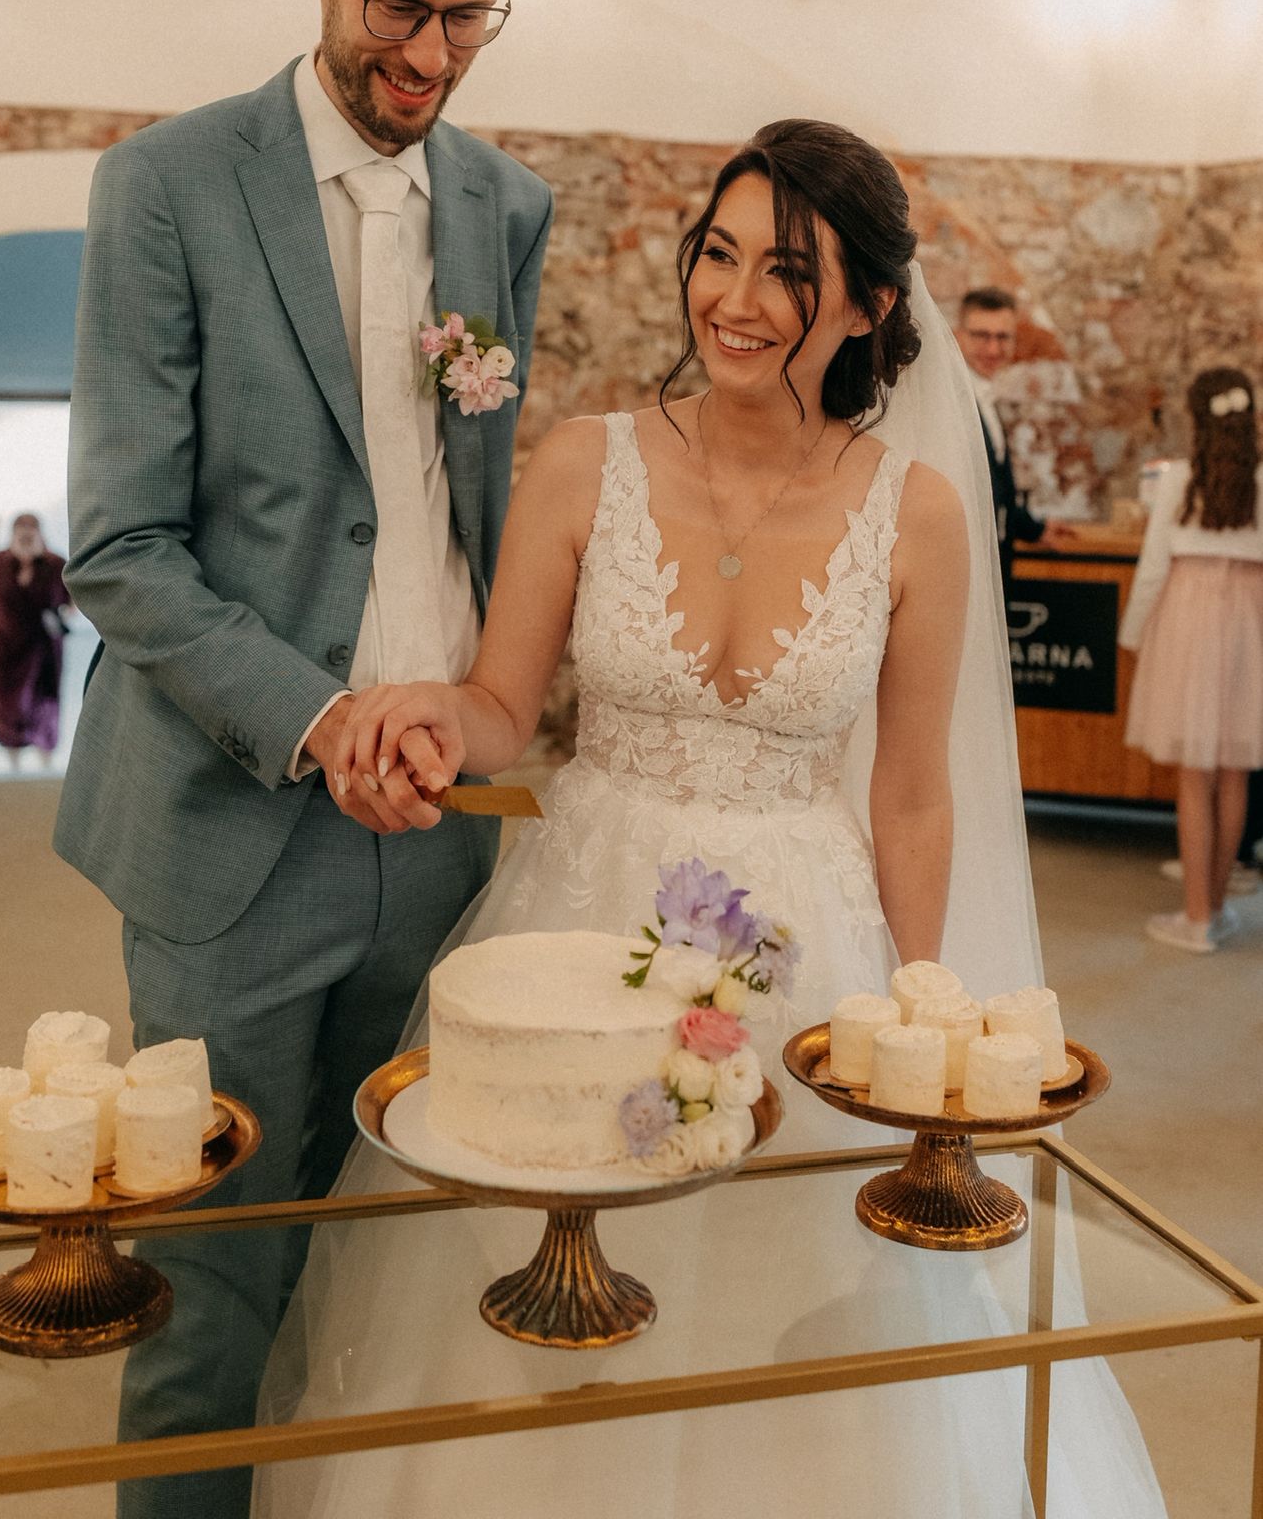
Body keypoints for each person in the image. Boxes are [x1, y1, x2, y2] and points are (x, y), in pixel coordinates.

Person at [255, 124, 1163, 1519]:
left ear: (867, 305)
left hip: (805, 951)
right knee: (539, 1287)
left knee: (789, 1290)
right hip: (586, 924)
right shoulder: (584, 461)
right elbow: (501, 705)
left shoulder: (915, 514)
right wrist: (430, 704)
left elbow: (911, 792)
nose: (733, 300)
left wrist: (915, 1021)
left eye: (785, 272)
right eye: (717, 254)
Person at [54, 0, 553, 1519]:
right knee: (212, 1288)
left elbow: (466, 513)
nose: (428, 57)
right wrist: (321, 716)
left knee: (381, 1274)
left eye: (468, 18)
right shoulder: (167, 186)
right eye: (396, 7)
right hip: (232, 833)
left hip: (442, 832)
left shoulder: (506, 206)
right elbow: (122, 545)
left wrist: (472, 707)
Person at [1121, 367, 1263, 952]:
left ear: (1198, 419)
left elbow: (1154, 568)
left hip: (1188, 617)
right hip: (1249, 619)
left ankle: (1197, 918)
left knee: (1194, 775)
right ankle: (1219, 907)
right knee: (1234, 771)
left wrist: (1132, 634)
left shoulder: (1179, 479)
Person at [955, 286, 1073, 584]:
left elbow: (995, 492)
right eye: (981, 336)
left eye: (1003, 337)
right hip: (963, 569)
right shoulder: (952, 401)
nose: (993, 349)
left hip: (996, 566)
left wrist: (1036, 529)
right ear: (958, 335)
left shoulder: (986, 398)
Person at [0, 512, 72, 769]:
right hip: (3, 647)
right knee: (5, 706)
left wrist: (59, 615)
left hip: (42, 650)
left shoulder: (56, 565)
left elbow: (73, 603)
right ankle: (14, 767)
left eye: (31, 535)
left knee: (44, 705)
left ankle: (45, 767)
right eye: (22, 535)